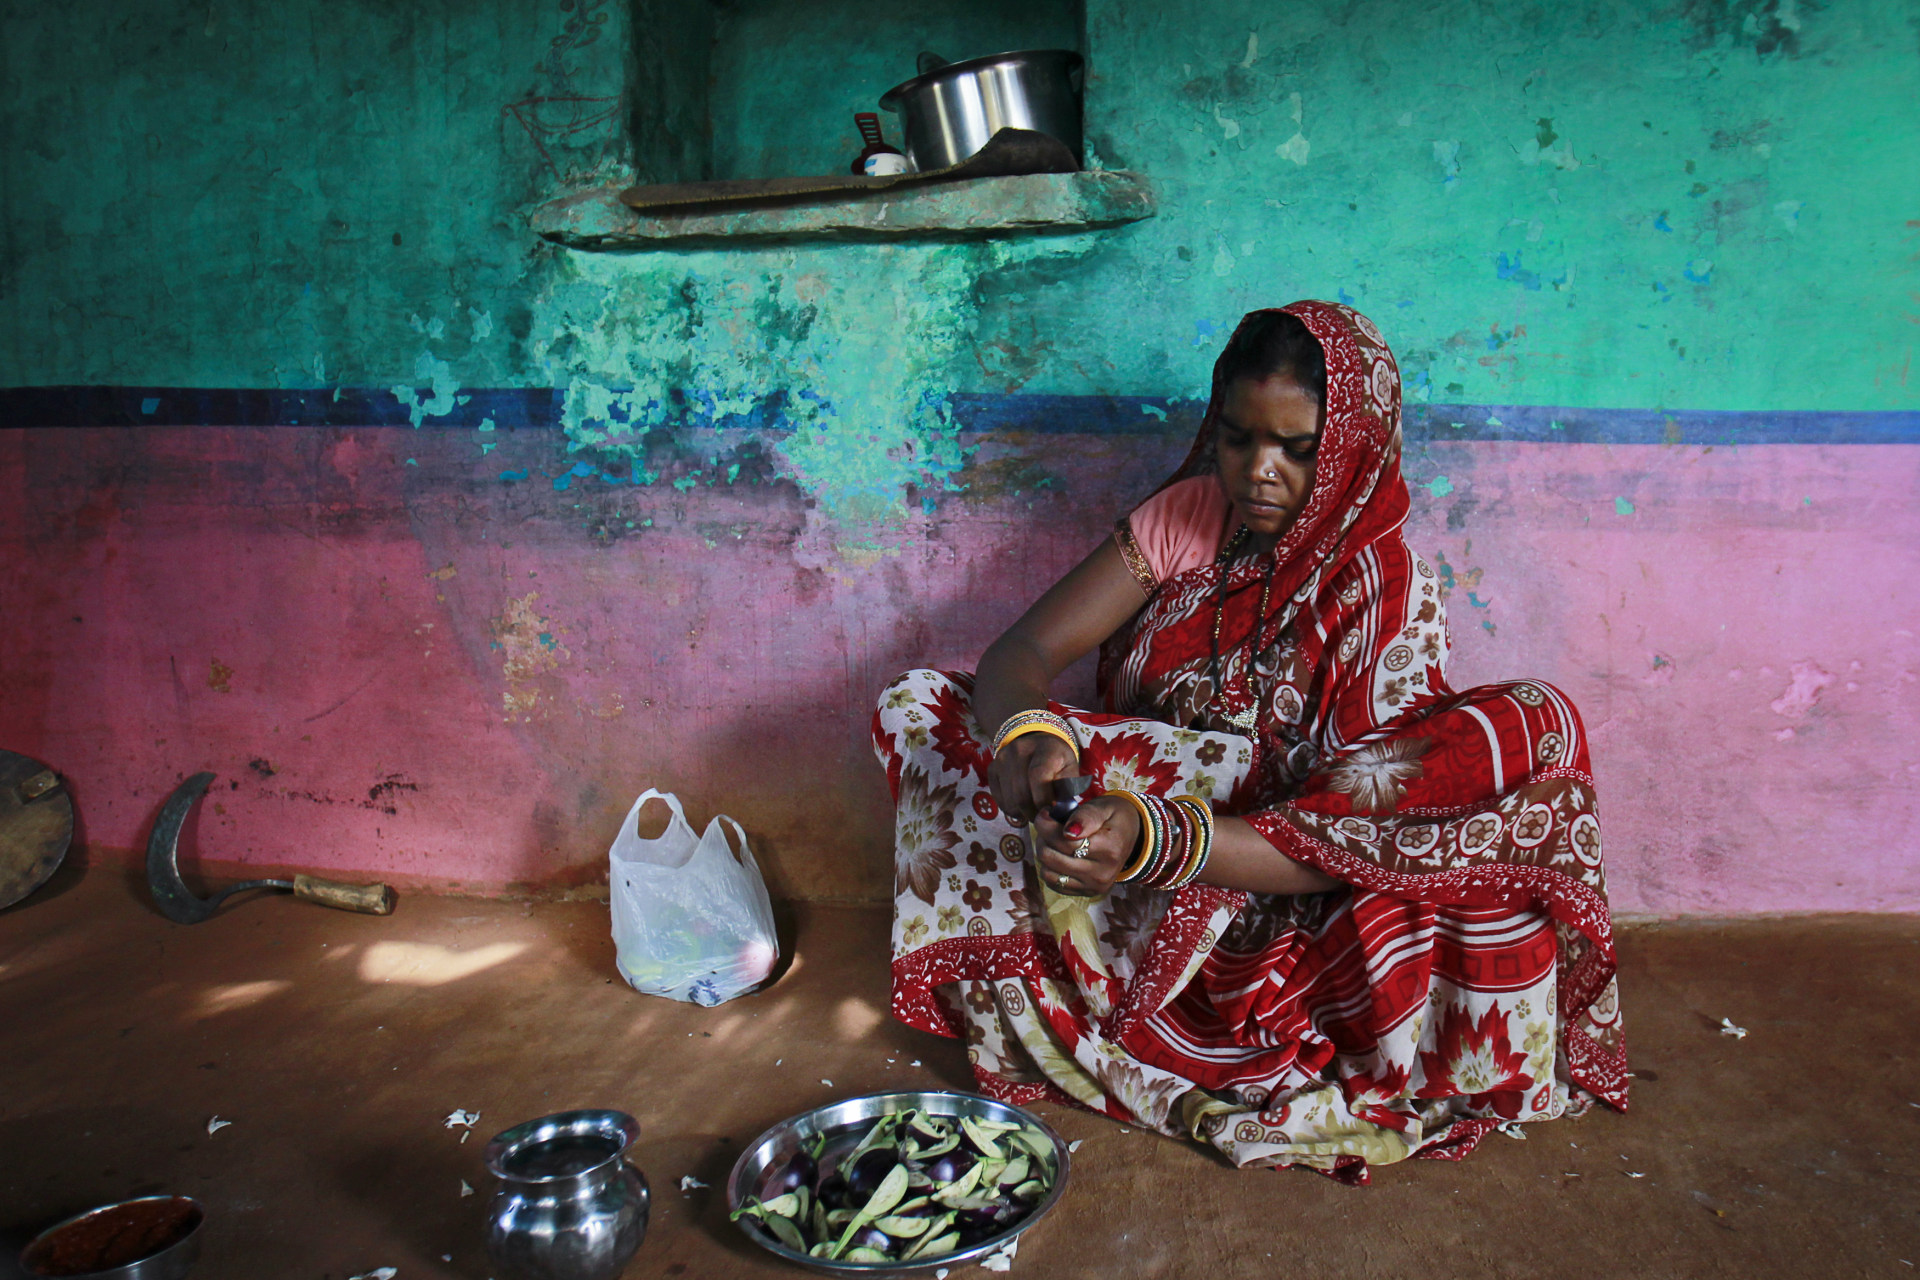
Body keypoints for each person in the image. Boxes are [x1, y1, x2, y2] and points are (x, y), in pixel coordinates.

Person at [872, 301, 1625, 1182]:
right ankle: (1070, 975)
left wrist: (1155, 837)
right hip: (1110, 862)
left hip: (1267, 878)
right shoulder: (1191, 515)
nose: (1257, 473)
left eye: (1296, 450)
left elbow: (1352, 836)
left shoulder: (1382, 585)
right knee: (921, 705)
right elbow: (1023, 654)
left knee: (1527, 730)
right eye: (1236, 439)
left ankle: (1185, 1000)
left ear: (1349, 446)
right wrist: (1032, 739)